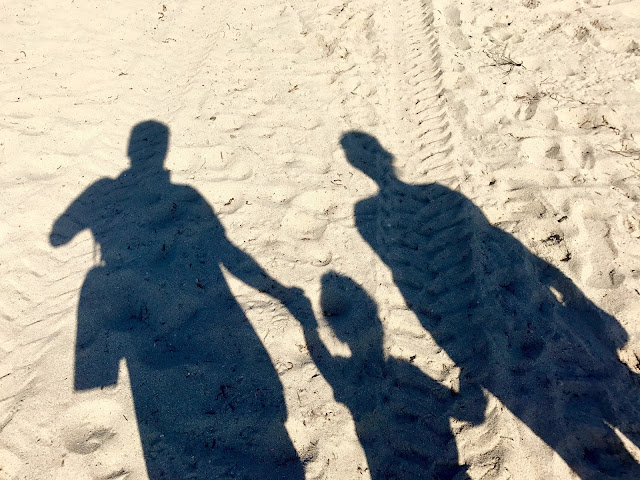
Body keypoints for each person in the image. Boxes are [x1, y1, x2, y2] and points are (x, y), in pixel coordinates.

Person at [340, 131, 640, 478]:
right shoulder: (429, 197)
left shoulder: (367, 212)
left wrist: (571, 294)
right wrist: (572, 295)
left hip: (438, 317)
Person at [50, 121, 306, 479]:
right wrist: (278, 290)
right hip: (201, 299)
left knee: (156, 414)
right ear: (164, 152)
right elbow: (227, 252)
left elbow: (57, 236)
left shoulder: (106, 190)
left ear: (129, 151)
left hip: (135, 299)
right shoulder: (187, 195)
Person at [300, 271, 481, 479]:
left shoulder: (349, 369)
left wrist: (308, 327)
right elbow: (475, 415)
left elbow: (328, 367)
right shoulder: (405, 369)